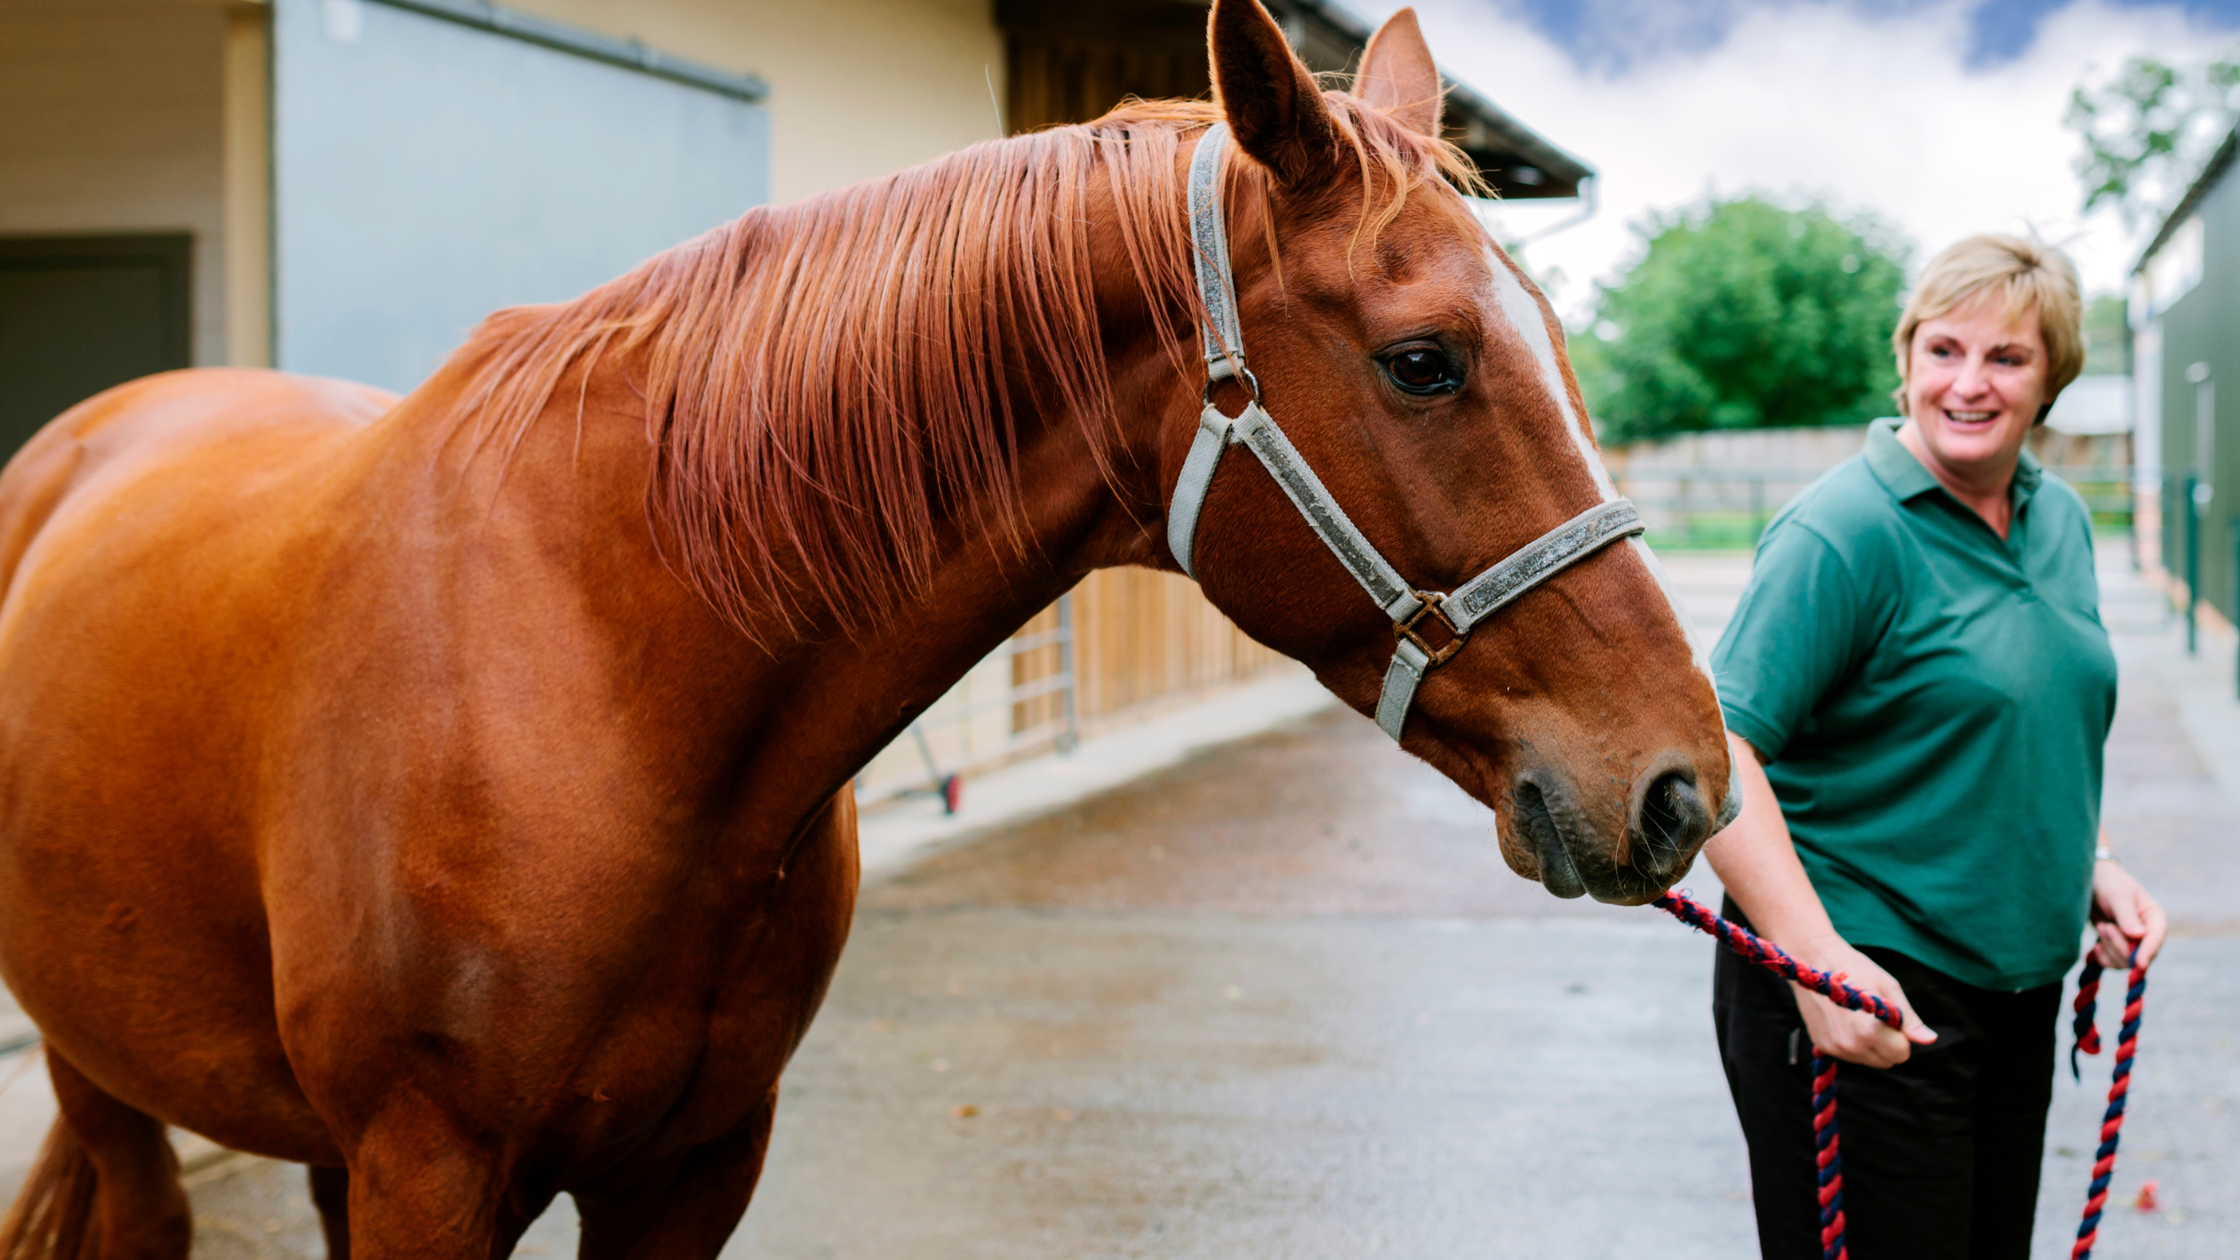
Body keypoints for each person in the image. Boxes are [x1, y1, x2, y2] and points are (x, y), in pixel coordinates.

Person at [1701, 234, 2167, 1260]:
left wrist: (2085, 864)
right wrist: (1815, 966)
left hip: (2013, 996)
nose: (1967, 383)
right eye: (1942, 349)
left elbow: (2020, 725)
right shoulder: (1842, 532)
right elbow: (1717, 753)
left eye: (2004, 358)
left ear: (2050, 380)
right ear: (1904, 359)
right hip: (1865, 995)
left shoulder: (2055, 520)